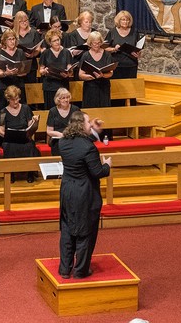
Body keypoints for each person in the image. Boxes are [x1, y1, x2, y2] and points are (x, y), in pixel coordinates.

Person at [58, 111, 112, 279]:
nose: (90, 124)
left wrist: (94, 130)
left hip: (67, 190)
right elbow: (97, 172)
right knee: (85, 231)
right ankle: (81, 270)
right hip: (84, 193)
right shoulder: (88, 147)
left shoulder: (63, 142)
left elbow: (83, 143)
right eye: (88, 122)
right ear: (81, 125)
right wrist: (107, 166)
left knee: (67, 229)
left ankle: (65, 269)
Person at [0, 86, 40, 183]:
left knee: (30, 146)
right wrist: (6, 134)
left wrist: (34, 121)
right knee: (9, 146)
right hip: (11, 139)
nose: (16, 102)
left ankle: (30, 173)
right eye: (13, 100)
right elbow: (0, 129)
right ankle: (11, 173)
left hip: (24, 137)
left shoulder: (25, 108)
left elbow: (30, 124)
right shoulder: (3, 112)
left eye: (17, 99)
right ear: (8, 99)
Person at [105, 10, 142, 106]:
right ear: (118, 21)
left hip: (131, 65)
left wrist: (138, 54)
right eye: (123, 20)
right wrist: (114, 49)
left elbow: (139, 48)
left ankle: (132, 111)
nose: (125, 22)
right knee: (117, 90)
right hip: (117, 66)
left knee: (131, 90)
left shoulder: (134, 32)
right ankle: (116, 109)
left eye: (127, 20)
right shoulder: (112, 32)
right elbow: (105, 48)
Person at [39, 29, 73, 109]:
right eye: (54, 41)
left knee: (63, 109)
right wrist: (44, 71)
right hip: (50, 86)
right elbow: (41, 70)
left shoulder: (66, 52)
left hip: (62, 85)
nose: (57, 42)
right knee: (51, 109)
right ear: (50, 43)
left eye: (58, 39)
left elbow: (70, 69)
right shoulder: (45, 53)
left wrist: (68, 73)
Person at [79, 31, 114, 108]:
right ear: (90, 43)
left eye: (99, 43)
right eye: (94, 43)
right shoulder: (85, 55)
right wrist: (92, 76)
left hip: (104, 87)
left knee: (104, 110)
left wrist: (102, 75)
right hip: (90, 88)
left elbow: (111, 73)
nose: (97, 45)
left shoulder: (107, 55)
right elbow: (80, 75)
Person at [0, 29, 28, 110]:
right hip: (4, 86)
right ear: (5, 41)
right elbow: (0, 73)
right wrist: (6, 73)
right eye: (9, 39)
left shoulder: (20, 52)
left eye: (13, 39)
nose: (12, 41)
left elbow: (25, 71)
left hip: (18, 85)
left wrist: (18, 73)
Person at [46, 88, 79, 156]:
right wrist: (60, 135)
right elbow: (49, 131)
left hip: (72, 139)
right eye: (63, 98)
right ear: (58, 99)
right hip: (58, 140)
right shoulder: (53, 111)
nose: (66, 100)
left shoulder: (75, 109)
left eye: (67, 97)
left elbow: (80, 127)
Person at [15, 11, 43, 86]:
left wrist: (33, 54)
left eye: (26, 20)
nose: (24, 23)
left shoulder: (34, 32)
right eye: (21, 21)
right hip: (17, 64)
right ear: (17, 22)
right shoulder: (13, 33)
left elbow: (38, 48)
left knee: (31, 88)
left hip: (31, 64)